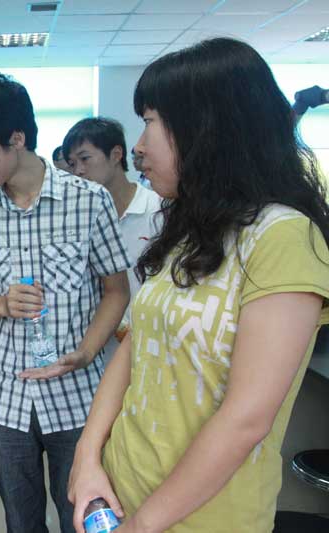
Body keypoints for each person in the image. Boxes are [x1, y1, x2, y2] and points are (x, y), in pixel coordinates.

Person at [68, 37, 329, 533]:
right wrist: (87, 456)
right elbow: (136, 346)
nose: (138, 146)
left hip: (200, 516)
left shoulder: (283, 236)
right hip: (122, 485)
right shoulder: (194, 227)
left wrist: (143, 525)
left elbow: (246, 418)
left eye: (150, 122)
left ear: (207, 128)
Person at [0, 73, 131, 533]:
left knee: (83, 517)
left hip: (78, 396)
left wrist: (86, 352)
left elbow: (116, 291)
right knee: (20, 520)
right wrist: (1, 306)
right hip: (5, 396)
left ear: (16, 138)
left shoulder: (89, 201)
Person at [62, 117, 162, 364]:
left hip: (154, 344)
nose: (78, 171)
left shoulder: (157, 209)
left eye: (85, 159)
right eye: (72, 164)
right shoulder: (78, 219)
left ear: (116, 154)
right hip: (100, 349)